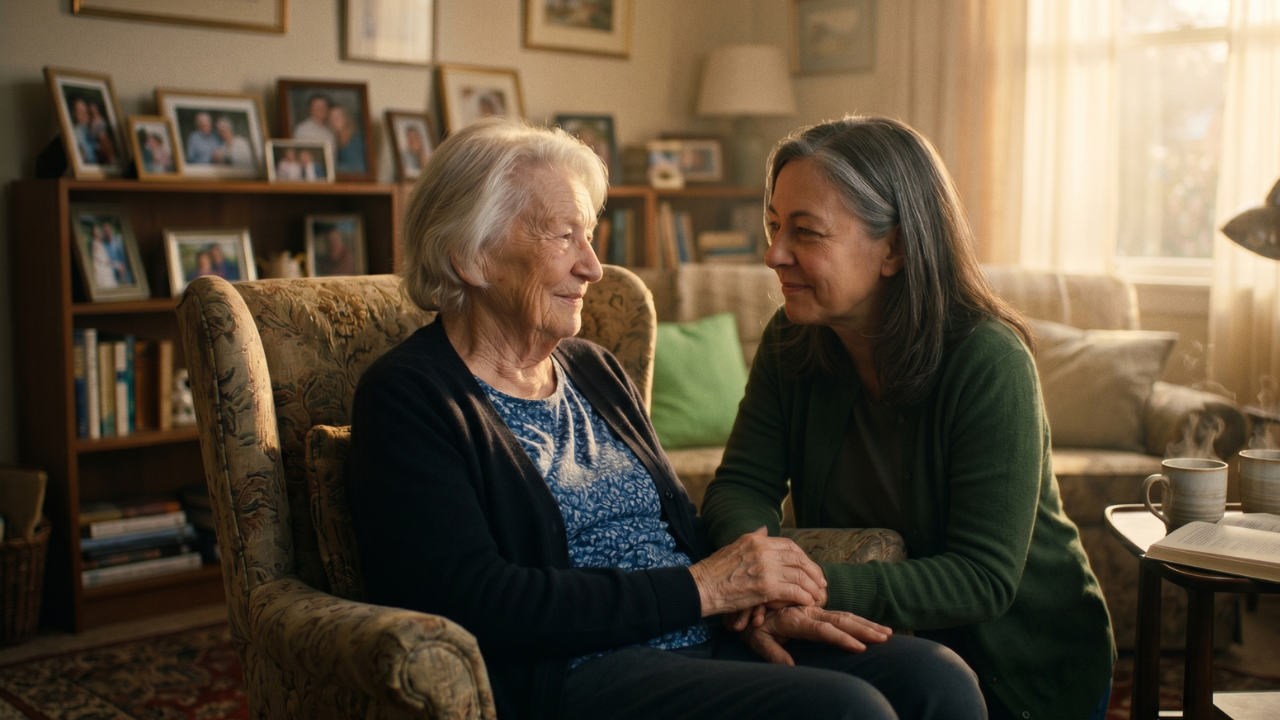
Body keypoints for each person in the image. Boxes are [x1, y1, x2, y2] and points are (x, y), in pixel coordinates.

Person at [347, 117, 985, 720]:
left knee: (934, 676)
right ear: (471, 256)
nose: (591, 267)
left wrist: (756, 606)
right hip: (581, 668)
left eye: (588, 237)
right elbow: (479, 600)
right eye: (562, 236)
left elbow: (681, 531)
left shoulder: (595, 370)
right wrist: (702, 592)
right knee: (848, 711)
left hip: (699, 632)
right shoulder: (412, 397)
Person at [700, 116, 1116, 720]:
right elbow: (741, 484)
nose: (774, 254)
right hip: (872, 647)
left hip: (1023, 669)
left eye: (806, 233)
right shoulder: (792, 340)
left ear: (893, 247)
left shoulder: (989, 360)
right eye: (773, 226)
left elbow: (983, 579)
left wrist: (791, 585)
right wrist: (754, 565)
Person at [326, 104, 365, 173]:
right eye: (331, 117)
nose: (334, 120)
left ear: (346, 118)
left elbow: (358, 168)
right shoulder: (334, 138)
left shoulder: (356, 138)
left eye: (338, 117)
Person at [70, 98, 98, 166]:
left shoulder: (91, 131)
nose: (84, 115)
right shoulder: (76, 133)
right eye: (79, 112)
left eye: (85, 111)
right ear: (74, 114)